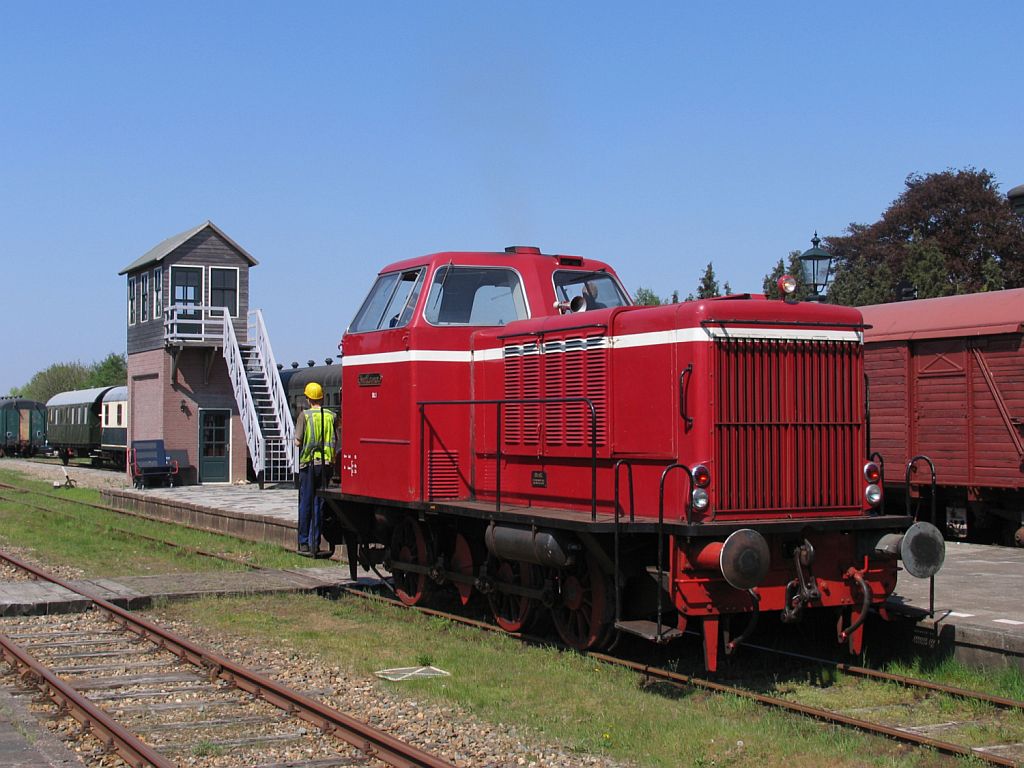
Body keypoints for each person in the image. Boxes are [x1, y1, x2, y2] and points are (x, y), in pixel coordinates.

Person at [294, 381, 338, 557]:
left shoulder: (304, 416)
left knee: (306, 502)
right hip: (326, 465)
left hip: (308, 465)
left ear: (308, 399)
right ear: (322, 398)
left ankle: (304, 543)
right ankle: (316, 542)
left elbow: (298, 442)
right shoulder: (330, 416)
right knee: (319, 504)